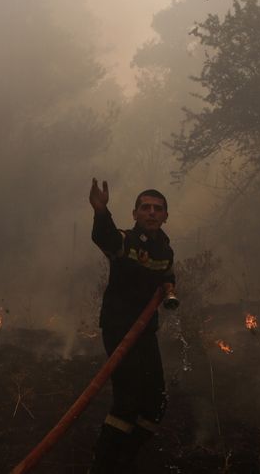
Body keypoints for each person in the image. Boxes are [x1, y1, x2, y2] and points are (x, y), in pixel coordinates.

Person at [88, 178, 177, 473]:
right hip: (119, 328)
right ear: (135, 214)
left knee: (156, 401)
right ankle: (102, 466)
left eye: (158, 209)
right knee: (127, 401)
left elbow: (168, 274)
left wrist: (168, 287)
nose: (152, 213)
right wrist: (101, 210)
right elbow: (105, 236)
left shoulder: (165, 248)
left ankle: (125, 458)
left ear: (166, 215)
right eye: (146, 208)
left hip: (146, 331)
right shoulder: (124, 241)